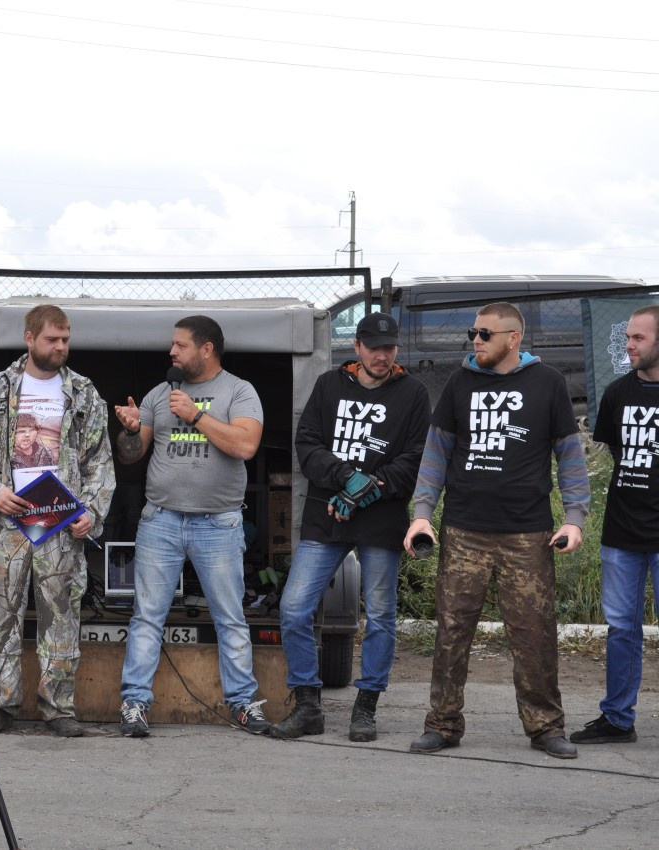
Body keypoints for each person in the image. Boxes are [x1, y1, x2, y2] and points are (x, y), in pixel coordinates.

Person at [405, 302, 588, 760]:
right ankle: (443, 724)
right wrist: (422, 512)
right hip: (465, 529)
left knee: (534, 635)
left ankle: (546, 727)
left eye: (485, 333)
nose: (475, 340)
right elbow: (435, 453)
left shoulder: (548, 384)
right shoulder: (459, 382)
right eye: (473, 332)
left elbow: (569, 455)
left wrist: (574, 518)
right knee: (451, 630)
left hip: (528, 534)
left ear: (513, 338)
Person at [269, 313, 430, 742]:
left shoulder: (413, 393)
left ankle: (366, 708)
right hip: (326, 517)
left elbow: (415, 457)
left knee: (380, 615)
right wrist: (346, 478)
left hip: (382, 522)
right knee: (294, 609)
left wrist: (369, 490)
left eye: (390, 347)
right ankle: (308, 705)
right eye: (374, 347)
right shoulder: (328, 385)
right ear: (356, 347)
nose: (383, 355)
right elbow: (308, 445)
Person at [0, 304, 114, 737]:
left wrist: (91, 511)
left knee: (61, 615)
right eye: (52, 339)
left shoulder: (83, 393)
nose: (61, 347)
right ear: (29, 338)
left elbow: (99, 461)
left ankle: (59, 708)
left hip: (60, 526)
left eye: (66, 339)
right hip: (8, 524)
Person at [115, 315, 266, 738]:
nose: (172, 352)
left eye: (180, 345)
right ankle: (134, 705)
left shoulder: (239, 391)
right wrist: (128, 430)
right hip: (160, 520)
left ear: (206, 349)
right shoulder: (159, 395)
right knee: (147, 616)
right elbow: (131, 457)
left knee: (230, 618)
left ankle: (242, 705)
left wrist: (196, 416)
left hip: (218, 524)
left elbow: (246, 445)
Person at [571, 305, 659, 745]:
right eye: (628, 336)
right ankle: (618, 719)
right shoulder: (617, 393)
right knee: (622, 629)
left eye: (639, 338)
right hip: (622, 532)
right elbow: (615, 456)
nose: (629, 345)